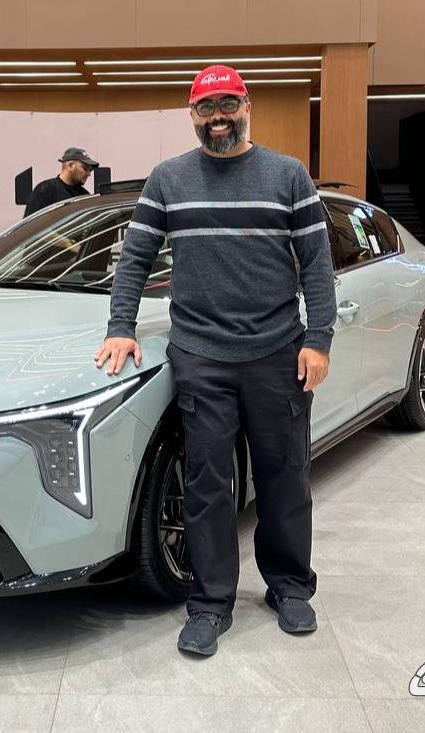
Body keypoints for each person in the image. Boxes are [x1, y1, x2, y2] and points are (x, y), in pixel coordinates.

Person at [94, 65, 337, 657]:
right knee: (207, 484)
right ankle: (209, 603)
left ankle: (290, 587)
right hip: (201, 355)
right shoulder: (169, 179)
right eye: (206, 108)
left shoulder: (288, 175)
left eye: (228, 104)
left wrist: (319, 338)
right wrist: (121, 328)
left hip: (277, 353)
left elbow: (316, 262)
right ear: (192, 114)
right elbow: (134, 259)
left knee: (285, 478)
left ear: (247, 106)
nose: (218, 117)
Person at [23, 147, 99, 217]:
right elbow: (31, 224)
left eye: (90, 170)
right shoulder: (45, 191)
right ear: (70, 166)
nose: (89, 174)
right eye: (85, 168)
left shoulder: (84, 196)